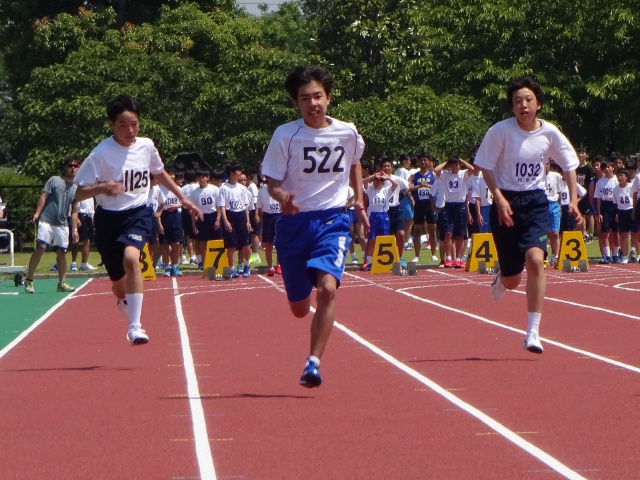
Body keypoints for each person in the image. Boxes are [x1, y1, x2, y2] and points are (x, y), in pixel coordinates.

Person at [262, 65, 369, 388]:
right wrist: (283, 197)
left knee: (327, 289)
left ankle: (313, 362)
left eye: (318, 96)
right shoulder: (286, 135)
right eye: (305, 98)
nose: (313, 104)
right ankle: (301, 291)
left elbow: (355, 160)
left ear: (329, 98)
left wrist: (359, 199)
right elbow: (271, 182)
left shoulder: (347, 131)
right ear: (296, 103)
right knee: (298, 308)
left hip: (333, 219)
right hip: (294, 224)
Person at [74, 94, 202, 345]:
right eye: (123, 125)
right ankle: (123, 299)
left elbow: (160, 173)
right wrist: (103, 188)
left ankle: (135, 326)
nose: (130, 130)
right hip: (108, 219)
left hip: (139, 211)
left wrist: (184, 198)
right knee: (118, 286)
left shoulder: (146, 146)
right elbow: (78, 192)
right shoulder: (100, 154)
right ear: (111, 125)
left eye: (134, 124)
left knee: (133, 257)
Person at [474, 76, 581, 354]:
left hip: (535, 201)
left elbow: (569, 164)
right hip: (505, 201)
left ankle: (532, 332)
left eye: (528, 100)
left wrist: (573, 200)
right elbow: (485, 166)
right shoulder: (500, 132)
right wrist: (498, 198)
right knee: (513, 279)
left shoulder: (550, 133)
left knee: (535, 259)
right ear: (512, 107)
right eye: (517, 101)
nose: (523, 105)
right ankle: (502, 277)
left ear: (539, 104)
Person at [24, 156, 80, 294]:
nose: (72, 168)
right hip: (47, 220)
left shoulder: (77, 188)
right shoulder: (54, 180)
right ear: (65, 167)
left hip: (62, 224)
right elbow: (44, 197)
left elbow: (74, 210)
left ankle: (62, 283)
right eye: (70, 165)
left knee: (62, 253)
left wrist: (75, 230)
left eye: (75, 166)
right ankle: (29, 280)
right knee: (41, 248)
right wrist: (37, 214)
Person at [434, 155, 476, 268]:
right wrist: (447, 161)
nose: (454, 166)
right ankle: (448, 258)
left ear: (459, 165)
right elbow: (436, 170)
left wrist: (461, 160)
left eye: (456, 164)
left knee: (460, 234)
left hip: (460, 205)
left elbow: (472, 169)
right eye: (452, 164)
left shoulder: (463, 174)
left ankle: (458, 259)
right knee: (448, 232)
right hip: (448, 206)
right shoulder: (445, 175)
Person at [217, 165, 252, 278]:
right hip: (230, 215)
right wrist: (225, 221)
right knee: (231, 245)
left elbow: (245, 206)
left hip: (241, 216)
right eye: (238, 171)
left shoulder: (242, 188)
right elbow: (221, 206)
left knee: (246, 244)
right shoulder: (224, 188)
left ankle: (247, 265)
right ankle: (232, 269)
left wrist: (248, 221)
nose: (240, 173)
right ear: (232, 173)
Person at [362, 171, 398, 270]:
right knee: (372, 239)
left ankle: (383, 260)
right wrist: (374, 175)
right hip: (373, 216)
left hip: (384, 216)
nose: (376, 183)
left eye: (379, 181)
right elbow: (362, 182)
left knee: (383, 239)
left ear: (383, 183)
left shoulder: (386, 190)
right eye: (375, 181)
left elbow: (395, 185)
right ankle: (368, 262)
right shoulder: (370, 189)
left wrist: (388, 177)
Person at [189, 169, 221, 270]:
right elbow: (193, 209)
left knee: (217, 240)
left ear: (208, 178)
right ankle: (204, 262)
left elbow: (219, 206)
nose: (201, 179)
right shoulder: (195, 192)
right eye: (199, 177)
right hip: (202, 217)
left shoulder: (214, 189)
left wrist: (218, 219)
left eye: (203, 177)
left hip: (213, 215)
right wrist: (193, 224)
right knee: (203, 241)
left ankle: (217, 262)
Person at [594, 159, 619, 264]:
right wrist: (599, 213)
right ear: (603, 170)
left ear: (613, 168)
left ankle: (616, 254)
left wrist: (618, 211)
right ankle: (607, 255)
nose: (607, 169)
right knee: (604, 232)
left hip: (616, 205)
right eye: (605, 167)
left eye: (609, 167)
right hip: (605, 206)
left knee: (616, 232)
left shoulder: (617, 180)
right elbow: (598, 199)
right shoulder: (600, 182)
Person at [256, 182, 282, 276]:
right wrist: (262, 220)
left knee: (280, 242)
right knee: (269, 243)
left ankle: (278, 264)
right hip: (268, 217)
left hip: (280, 215)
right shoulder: (262, 192)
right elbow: (259, 208)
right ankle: (270, 266)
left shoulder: (281, 188)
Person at [70, 197, 98, 271]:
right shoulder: (80, 188)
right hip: (80, 214)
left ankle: (84, 263)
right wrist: (77, 218)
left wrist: (92, 217)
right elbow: (74, 205)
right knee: (76, 239)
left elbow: (91, 205)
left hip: (88, 215)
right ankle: (73, 262)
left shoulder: (91, 193)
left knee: (88, 240)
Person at [612, 168, 633, 264]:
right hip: (622, 212)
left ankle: (636, 253)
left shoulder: (631, 187)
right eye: (618, 176)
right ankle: (624, 256)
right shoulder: (615, 190)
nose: (620, 178)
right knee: (623, 234)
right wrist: (617, 214)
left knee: (636, 233)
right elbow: (615, 203)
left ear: (626, 177)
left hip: (631, 210)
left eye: (622, 176)